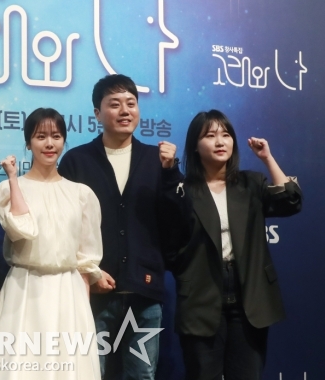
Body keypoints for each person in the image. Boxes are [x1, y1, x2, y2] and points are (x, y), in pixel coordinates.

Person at [160, 109, 303, 380]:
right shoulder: (185, 190)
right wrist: (188, 271)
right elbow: (169, 243)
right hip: (201, 296)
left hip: (249, 298)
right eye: (210, 136)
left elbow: (291, 202)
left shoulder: (251, 183)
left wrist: (267, 158)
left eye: (226, 135)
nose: (220, 142)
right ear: (195, 145)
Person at [58, 74, 181, 380]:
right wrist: (89, 272)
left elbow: (178, 223)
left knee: (142, 375)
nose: (125, 111)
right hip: (92, 292)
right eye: (114, 104)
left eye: (131, 103)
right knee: (88, 373)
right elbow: (63, 228)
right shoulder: (76, 161)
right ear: (97, 113)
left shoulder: (158, 160)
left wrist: (171, 174)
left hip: (144, 291)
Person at [0, 108, 103, 379]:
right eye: (41, 137)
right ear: (28, 143)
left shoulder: (81, 194)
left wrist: (82, 307)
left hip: (68, 291)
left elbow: (87, 257)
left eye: (56, 136)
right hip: (24, 288)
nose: (49, 144)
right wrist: (13, 179)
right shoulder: (8, 189)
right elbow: (22, 229)